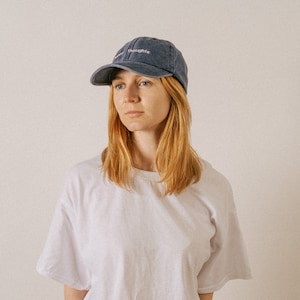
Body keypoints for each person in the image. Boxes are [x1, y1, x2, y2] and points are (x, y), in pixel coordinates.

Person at [37, 37, 252, 300]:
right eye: (119, 85)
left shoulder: (211, 187)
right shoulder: (84, 181)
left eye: (144, 82)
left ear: (174, 92)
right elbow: (74, 287)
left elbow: (203, 292)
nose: (128, 97)